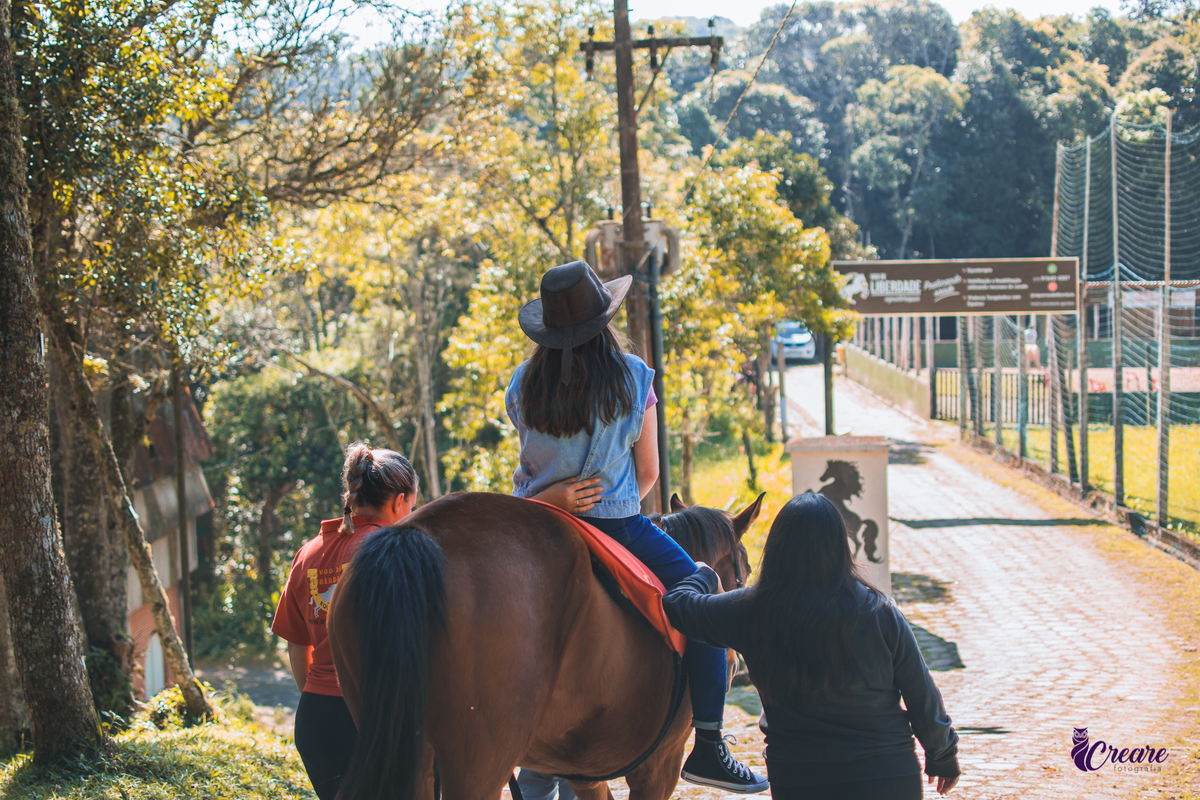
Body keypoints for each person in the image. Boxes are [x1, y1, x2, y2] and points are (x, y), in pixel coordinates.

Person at [505, 260, 768, 794]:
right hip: (618, 526)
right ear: (604, 320)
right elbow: (648, 473)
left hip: (535, 524)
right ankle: (712, 745)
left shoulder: (523, 383)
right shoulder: (632, 376)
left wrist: (555, 496)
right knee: (706, 587)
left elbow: (532, 459)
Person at [661, 492, 961, 800]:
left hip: (800, 779)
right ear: (840, 547)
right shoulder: (880, 612)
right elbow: (920, 692)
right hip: (886, 774)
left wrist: (704, 575)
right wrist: (942, 754)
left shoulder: (750, 611)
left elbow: (678, 605)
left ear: (776, 548)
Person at [271, 443, 419, 800]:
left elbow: (296, 646)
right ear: (399, 502)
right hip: (372, 716)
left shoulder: (308, 553)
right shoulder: (393, 549)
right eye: (412, 507)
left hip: (314, 720)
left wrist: (322, 695)